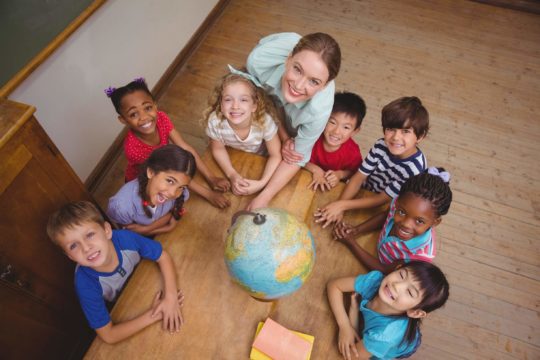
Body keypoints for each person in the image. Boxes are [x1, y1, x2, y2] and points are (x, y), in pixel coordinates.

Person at [47, 201, 184, 344]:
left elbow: (162, 256)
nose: (86, 248)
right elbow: (108, 335)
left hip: (147, 282)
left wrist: (171, 297)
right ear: (70, 256)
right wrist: (155, 314)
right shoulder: (84, 284)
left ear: (107, 230)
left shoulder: (126, 238)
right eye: (73, 245)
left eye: (90, 235)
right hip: (128, 308)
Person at [245, 32, 341, 209]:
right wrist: (282, 135)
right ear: (288, 59)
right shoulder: (259, 62)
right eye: (297, 69)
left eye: (314, 81)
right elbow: (260, 98)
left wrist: (264, 197)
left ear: (325, 85)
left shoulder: (318, 111)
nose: (298, 85)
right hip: (263, 93)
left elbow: (296, 157)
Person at [106, 77, 230, 208]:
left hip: (165, 166)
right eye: (133, 114)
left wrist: (211, 178)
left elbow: (185, 147)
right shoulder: (134, 149)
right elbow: (171, 174)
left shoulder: (161, 118)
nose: (144, 117)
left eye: (147, 108)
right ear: (123, 120)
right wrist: (208, 194)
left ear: (155, 104)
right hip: (147, 180)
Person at [315, 96, 429, 227]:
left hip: (383, 207)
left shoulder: (415, 169)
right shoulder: (381, 145)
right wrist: (340, 205)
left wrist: (341, 205)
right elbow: (359, 177)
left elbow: (381, 199)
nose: (396, 137)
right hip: (362, 193)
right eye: (391, 129)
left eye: (406, 131)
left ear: (420, 136)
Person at [334, 168, 453, 274]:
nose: (406, 224)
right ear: (397, 202)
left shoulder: (419, 256)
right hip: (376, 246)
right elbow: (384, 217)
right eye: (401, 212)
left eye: (419, 221)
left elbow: (385, 270)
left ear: (435, 223)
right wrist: (356, 230)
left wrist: (352, 243)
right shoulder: (400, 204)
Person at [327, 261, 450, 360]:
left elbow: (352, 356)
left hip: (401, 346)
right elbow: (333, 285)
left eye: (410, 292)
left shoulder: (385, 336)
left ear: (415, 312)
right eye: (402, 275)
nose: (397, 285)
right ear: (398, 267)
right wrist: (344, 326)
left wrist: (352, 315)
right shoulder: (375, 280)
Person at [204, 67, 281, 195]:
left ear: (254, 105)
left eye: (243, 100)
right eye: (228, 100)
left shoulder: (264, 122)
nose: (235, 106)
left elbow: (275, 155)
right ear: (221, 105)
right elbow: (218, 149)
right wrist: (232, 174)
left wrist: (263, 182)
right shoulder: (215, 122)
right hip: (234, 157)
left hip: (261, 159)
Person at [107, 145, 194, 236]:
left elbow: (139, 230)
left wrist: (147, 229)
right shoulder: (121, 207)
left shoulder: (181, 193)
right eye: (170, 181)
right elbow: (129, 234)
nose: (173, 193)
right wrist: (168, 222)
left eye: (181, 187)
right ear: (151, 172)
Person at [305, 91, 366, 192]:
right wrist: (316, 170)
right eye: (332, 122)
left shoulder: (352, 152)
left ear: (355, 131)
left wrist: (340, 174)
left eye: (346, 127)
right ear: (324, 118)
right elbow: (295, 156)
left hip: (330, 191)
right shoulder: (312, 135)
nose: (336, 131)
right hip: (304, 180)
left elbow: (355, 173)